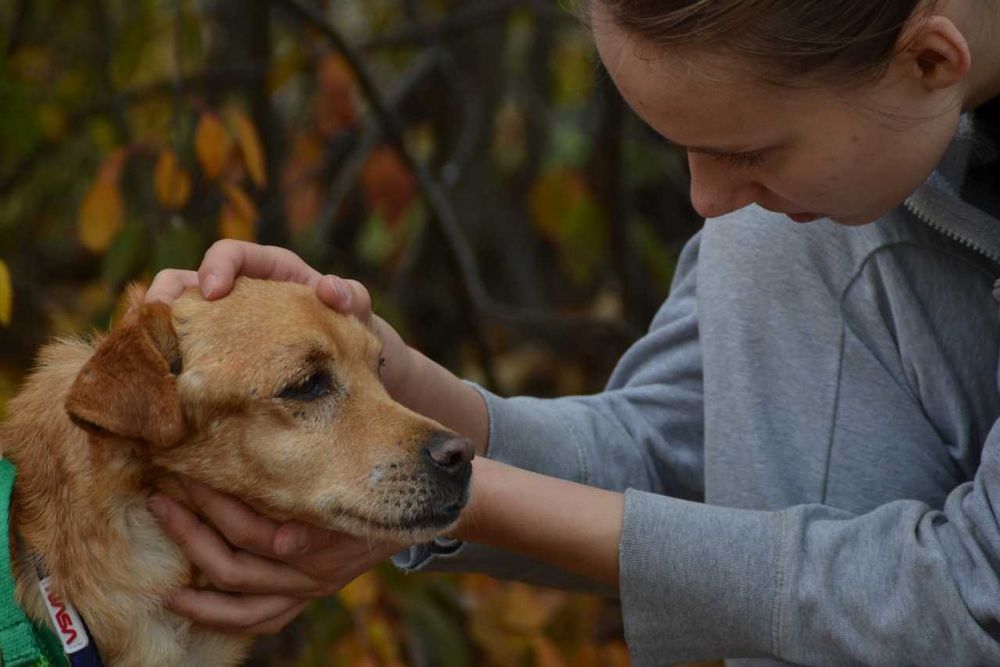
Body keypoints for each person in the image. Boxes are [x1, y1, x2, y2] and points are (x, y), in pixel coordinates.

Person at [144, 0, 1000, 663]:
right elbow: (673, 460)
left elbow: (977, 596)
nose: (706, 203)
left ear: (930, 59)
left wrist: (455, 499)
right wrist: (386, 377)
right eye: (680, 148)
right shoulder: (827, 186)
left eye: (752, 148)